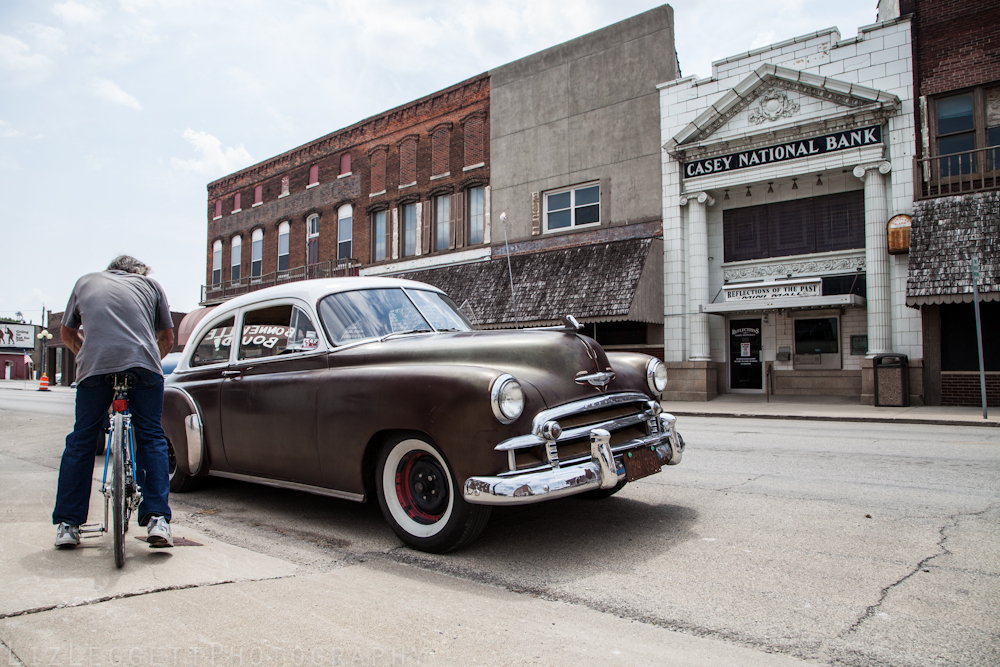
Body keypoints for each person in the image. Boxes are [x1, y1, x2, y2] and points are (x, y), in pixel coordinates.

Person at [53, 255, 175, 548]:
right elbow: (167, 339)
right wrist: (144, 362)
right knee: (151, 437)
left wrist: (88, 358)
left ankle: (68, 526)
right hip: (143, 366)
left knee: (82, 439)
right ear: (139, 272)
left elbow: (67, 334)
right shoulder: (151, 285)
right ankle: (158, 521)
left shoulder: (85, 281)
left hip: (95, 368)